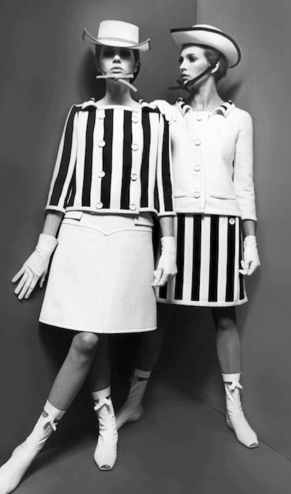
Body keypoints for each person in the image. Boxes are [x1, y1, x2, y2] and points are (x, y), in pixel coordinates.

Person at [0, 20, 177, 494]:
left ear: (136, 63)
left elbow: (163, 187)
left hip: (132, 233)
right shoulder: (81, 116)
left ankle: (99, 420)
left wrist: (170, 246)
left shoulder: (154, 120)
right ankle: (39, 442)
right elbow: (62, 183)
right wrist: (43, 249)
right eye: (107, 52)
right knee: (89, 337)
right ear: (97, 61)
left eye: (125, 53)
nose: (115, 60)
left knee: (96, 334)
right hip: (81, 229)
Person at [114, 25, 261, 449]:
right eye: (180, 59)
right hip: (174, 230)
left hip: (221, 229)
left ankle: (234, 409)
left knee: (225, 318)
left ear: (214, 65)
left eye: (191, 58)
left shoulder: (239, 120)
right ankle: (134, 401)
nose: (181, 65)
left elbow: (244, 183)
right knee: (156, 316)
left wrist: (250, 239)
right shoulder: (167, 112)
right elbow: (132, 115)